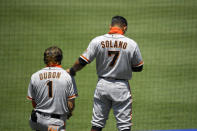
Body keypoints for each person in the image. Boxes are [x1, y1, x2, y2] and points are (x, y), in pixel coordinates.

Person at [67, 16, 143, 131]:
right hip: (121, 87)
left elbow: (83, 61)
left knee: (97, 124)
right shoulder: (131, 44)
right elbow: (139, 67)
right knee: (124, 126)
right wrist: (123, 65)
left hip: (102, 85)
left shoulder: (97, 41)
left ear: (110, 26)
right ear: (125, 27)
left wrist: (72, 70)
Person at [27, 46, 78, 131]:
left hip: (36, 121)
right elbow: (71, 105)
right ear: (60, 58)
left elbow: (34, 103)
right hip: (54, 124)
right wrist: (68, 112)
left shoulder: (35, 76)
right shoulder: (67, 76)